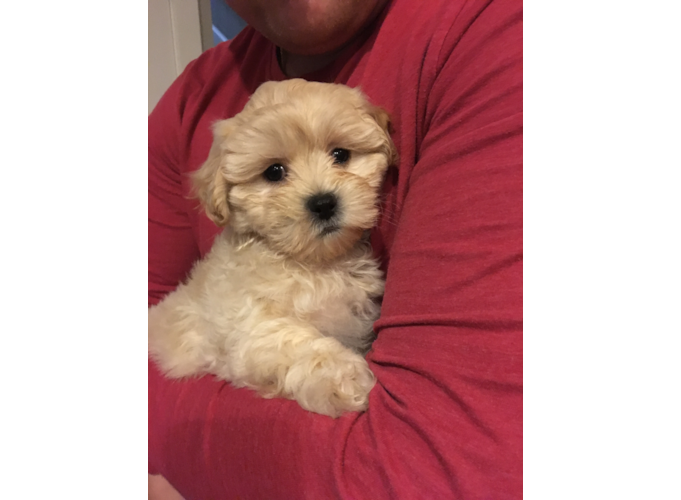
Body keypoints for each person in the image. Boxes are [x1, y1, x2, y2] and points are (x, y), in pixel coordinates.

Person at [142, 0, 523, 498]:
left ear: (384, 145)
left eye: (341, 155)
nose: (319, 192)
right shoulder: (191, 98)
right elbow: (249, 338)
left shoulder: (488, 29)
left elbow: (431, 465)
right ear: (223, 198)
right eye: (275, 172)